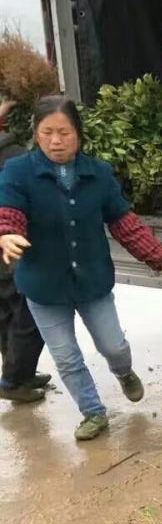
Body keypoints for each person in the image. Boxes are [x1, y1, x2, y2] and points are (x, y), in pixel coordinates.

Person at [0, 95, 162, 441]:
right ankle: (93, 412)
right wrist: (7, 234)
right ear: (36, 133)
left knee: (114, 346)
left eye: (64, 132)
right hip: (44, 289)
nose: (56, 141)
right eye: (47, 133)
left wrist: (161, 257)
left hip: (92, 281)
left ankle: (124, 373)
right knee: (66, 358)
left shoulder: (99, 173)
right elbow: (9, 211)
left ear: (79, 134)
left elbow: (123, 221)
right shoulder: (18, 172)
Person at [0, 97, 50, 404]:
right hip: (8, 247)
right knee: (30, 312)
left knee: (6, 312)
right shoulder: (13, 154)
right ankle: (13, 379)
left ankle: (16, 372)